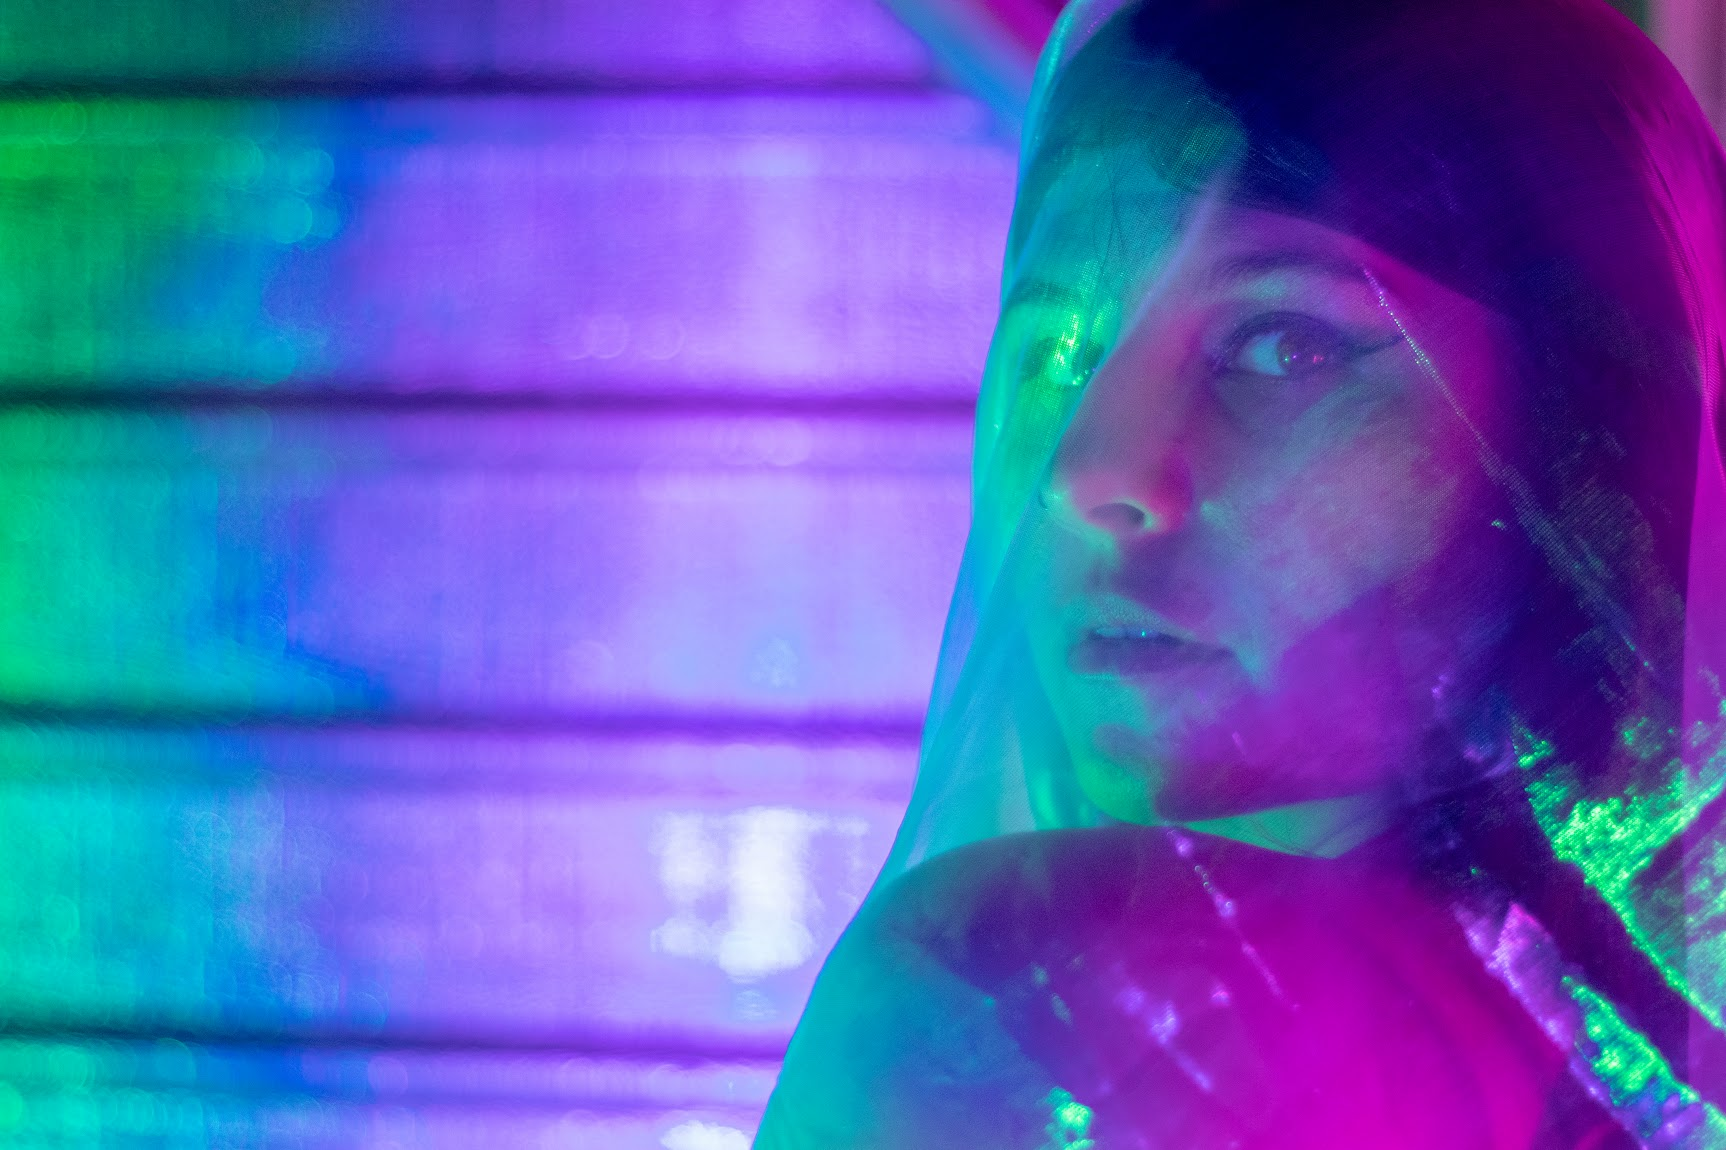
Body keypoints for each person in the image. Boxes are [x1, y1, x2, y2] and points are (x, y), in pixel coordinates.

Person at [754, 0, 1726, 1145]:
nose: (1092, 470)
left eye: (1284, 344)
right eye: (1059, 347)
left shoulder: (1012, 1004)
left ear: (1581, 439)